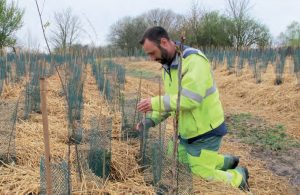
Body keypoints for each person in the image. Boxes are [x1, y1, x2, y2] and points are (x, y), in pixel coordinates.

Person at [136, 26, 249, 190]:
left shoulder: (194, 61)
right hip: (186, 131)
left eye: (152, 53)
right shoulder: (167, 68)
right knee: (176, 162)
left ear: (164, 42)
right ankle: (227, 161)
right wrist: (151, 120)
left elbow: (189, 100)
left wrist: (153, 102)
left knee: (201, 174)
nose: (151, 59)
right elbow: (172, 103)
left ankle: (239, 176)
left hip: (205, 130)